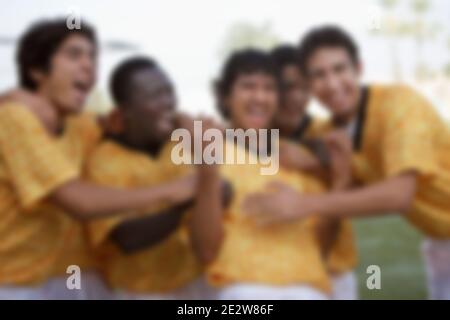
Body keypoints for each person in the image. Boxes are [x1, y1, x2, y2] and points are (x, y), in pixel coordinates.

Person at [243, 26, 450, 300]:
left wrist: (301, 204)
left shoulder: (399, 105)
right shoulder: (327, 132)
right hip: (438, 238)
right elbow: (358, 193)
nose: (331, 84)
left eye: (339, 70)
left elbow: (399, 195)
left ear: (358, 69)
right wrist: (317, 168)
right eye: (319, 75)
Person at [0, 18, 196, 299]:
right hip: (14, 282)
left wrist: (272, 144)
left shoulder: (83, 124)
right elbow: (79, 201)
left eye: (92, 56)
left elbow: (143, 121)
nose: (88, 64)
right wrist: (173, 191)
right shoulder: (14, 118)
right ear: (36, 70)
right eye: (74, 54)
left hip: (73, 274)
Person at [188, 49, 331, 300]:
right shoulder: (204, 147)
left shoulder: (294, 155)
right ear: (224, 96)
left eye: (269, 88)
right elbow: (206, 251)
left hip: (308, 288)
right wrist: (208, 172)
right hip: (243, 290)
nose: (260, 97)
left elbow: (322, 245)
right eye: (248, 86)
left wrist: (336, 180)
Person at [86, 57, 231, 299]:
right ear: (126, 111)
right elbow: (127, 238)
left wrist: (207, 171)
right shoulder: (104, 161)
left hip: (196, 280)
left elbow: (225, 192)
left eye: (169, 92)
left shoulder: (183, 143)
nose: (168, 103)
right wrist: (192, 198)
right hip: (139, 291)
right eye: (155, 96)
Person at [270, 44, 358, 300]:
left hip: (335, 271)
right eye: (286, 87)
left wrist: (312, 165)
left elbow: (361, 184)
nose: (296, 97)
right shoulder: (252, 141)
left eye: (303, 87)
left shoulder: (325, 132)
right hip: (281, 275)